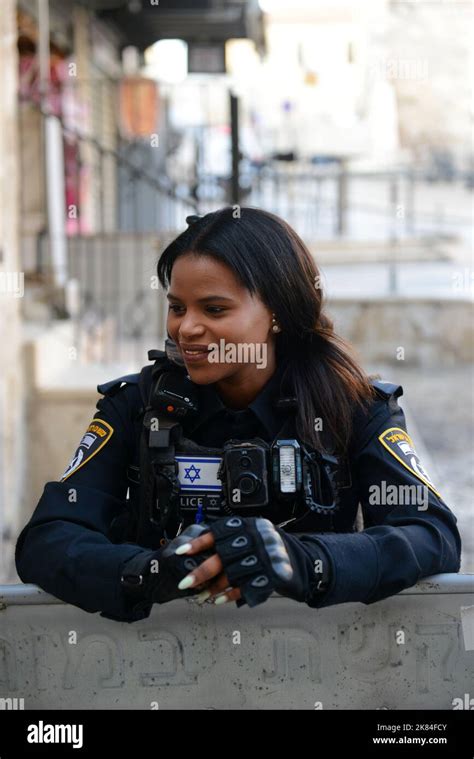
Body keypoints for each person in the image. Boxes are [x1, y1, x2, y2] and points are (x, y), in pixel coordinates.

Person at [15, 207, 462, 623]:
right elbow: (47, 540)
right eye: (176, 307)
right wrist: (152, 571)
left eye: (214, 309)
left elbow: (430, 534)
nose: (186, 327)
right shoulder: (137, 405)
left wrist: (300, 560)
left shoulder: (353, 407)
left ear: (277, 313)